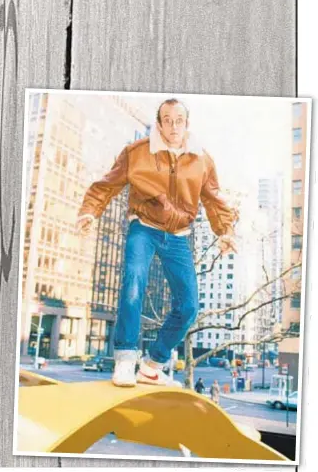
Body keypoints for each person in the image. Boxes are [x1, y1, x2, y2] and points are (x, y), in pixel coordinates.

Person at [76, 99, 238, 388]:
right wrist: (90, 211)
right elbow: (106, 185)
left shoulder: (201, 159)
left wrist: (225, 231)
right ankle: (125, 359)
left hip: (179, 237)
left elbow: (214, 199)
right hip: (145, 227)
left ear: (187, 124)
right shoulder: (136, 153)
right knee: (134, 283)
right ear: (159, 123)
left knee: (188, 306)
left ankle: (151, 366)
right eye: (167, 119)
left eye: (179, 120)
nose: (173, 126)